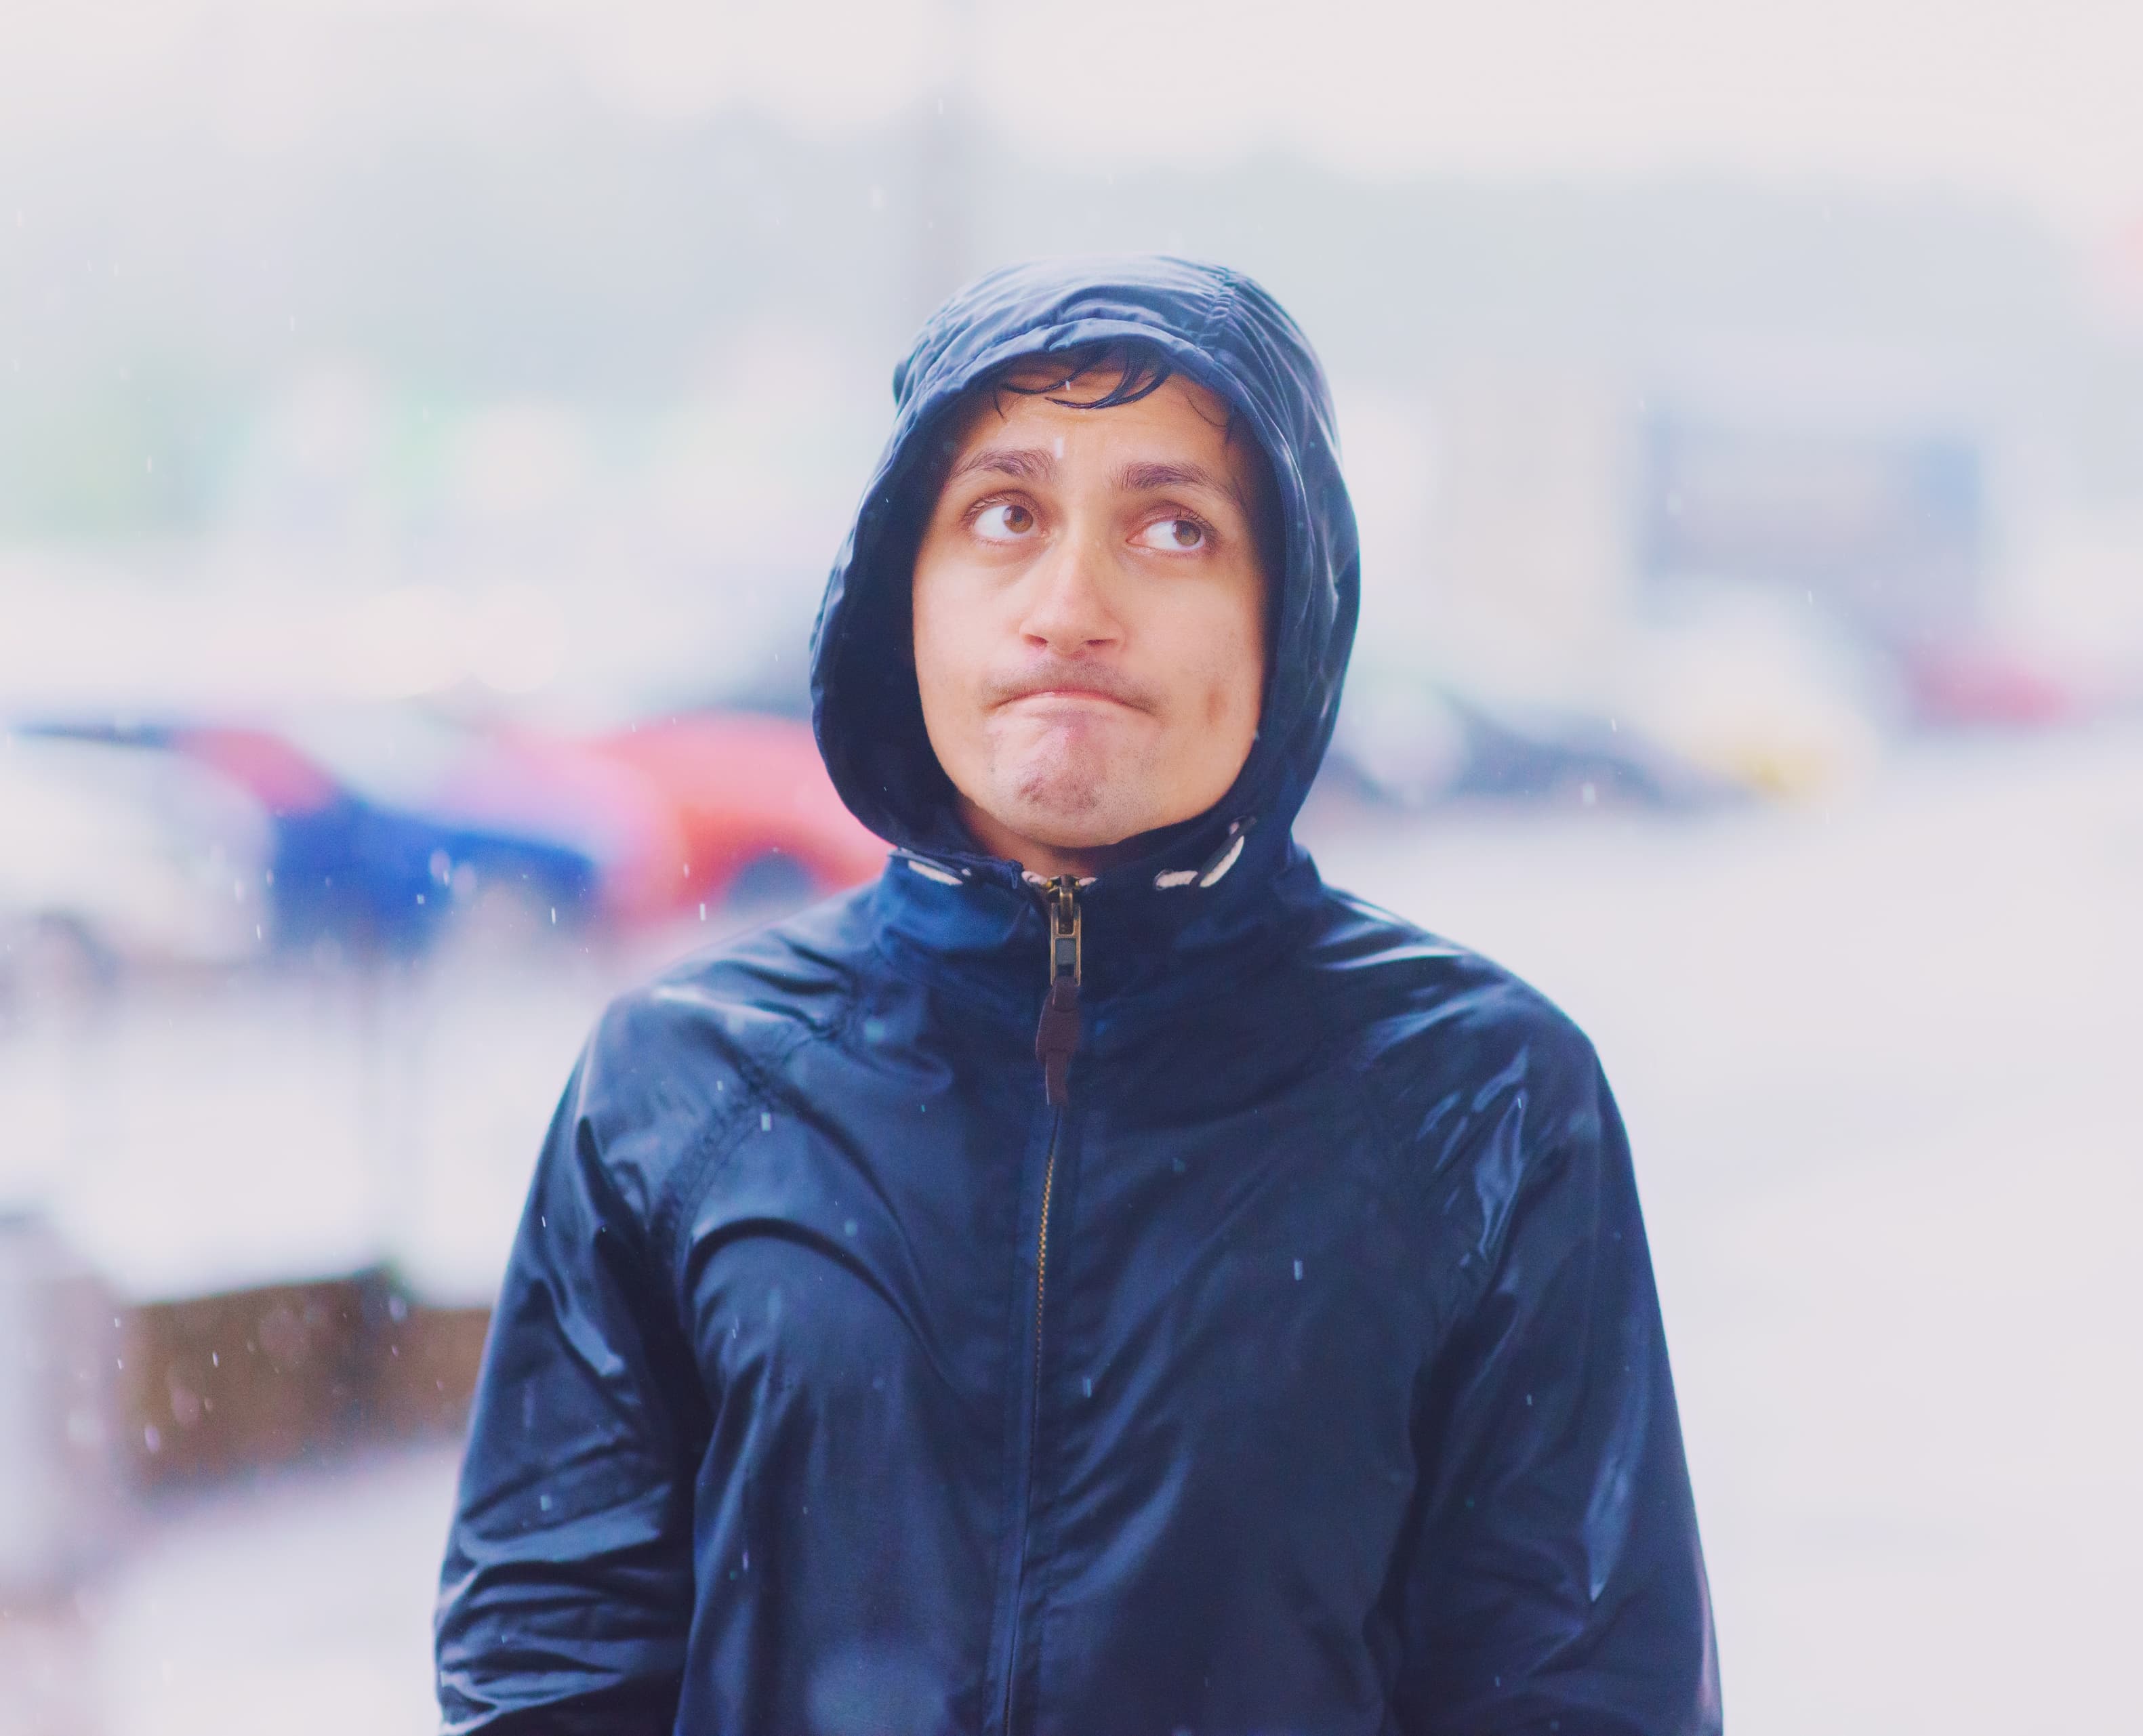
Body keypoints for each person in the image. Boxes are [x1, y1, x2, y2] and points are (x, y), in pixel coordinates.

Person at [435, 256, 1719, 1735]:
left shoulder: (1480, 1101)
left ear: (1284, 613)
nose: (1073, 604)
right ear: (899, 593)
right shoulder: (683, 1088)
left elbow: (1581, 1691)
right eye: (1005, 515)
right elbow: (550, 1666)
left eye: (1174, 528)